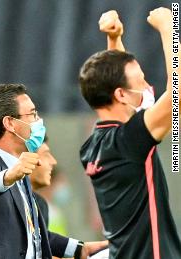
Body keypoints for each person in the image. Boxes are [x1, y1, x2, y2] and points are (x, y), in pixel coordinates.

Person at [0, 84, 106, 259]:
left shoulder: (20, 172)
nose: (38, 121)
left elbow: (31, 236)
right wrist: (7, 176)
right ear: (10, 123)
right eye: (33, 114)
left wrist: (79, 249)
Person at [79, 8, 181, 259]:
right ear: (121, 95)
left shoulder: (93, 146)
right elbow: (177, 95)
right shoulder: (129, 140)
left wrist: (114, 41)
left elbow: (115, 86)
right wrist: (170, 27)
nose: (148, 87)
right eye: (142, 81)